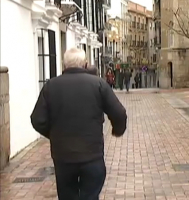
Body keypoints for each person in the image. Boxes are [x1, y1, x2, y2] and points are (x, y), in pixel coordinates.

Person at [31, 47, 127, 200]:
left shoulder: (51, 86)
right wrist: (118, 130)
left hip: (63, 157)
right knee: (90, 195)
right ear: (85, 64)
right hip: (92, 155)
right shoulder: (98, 84)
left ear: (64, 65)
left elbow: (37, 119)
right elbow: (119, 113)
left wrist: (54, 135)